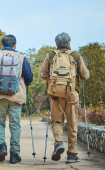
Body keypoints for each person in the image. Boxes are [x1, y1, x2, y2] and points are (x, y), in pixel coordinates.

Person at [39, 32, 90, 163]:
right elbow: (85, 76)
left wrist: (52, 80)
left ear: (56, 43)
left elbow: (42, 75)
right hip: (72, 94)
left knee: (57, 121)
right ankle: (72, 154)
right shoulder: (76, 56)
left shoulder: (51, 55)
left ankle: (58, 144)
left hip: (55, 94)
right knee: (72, 124)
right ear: (69, 43)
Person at [0, 35, 33, 164]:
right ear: (15, 45)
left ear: (3, 45)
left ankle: (2, 146)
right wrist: (22, 84)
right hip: (16, 96)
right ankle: (15, 154)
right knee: (15, 125)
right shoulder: (20, 57)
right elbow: (29, 77)